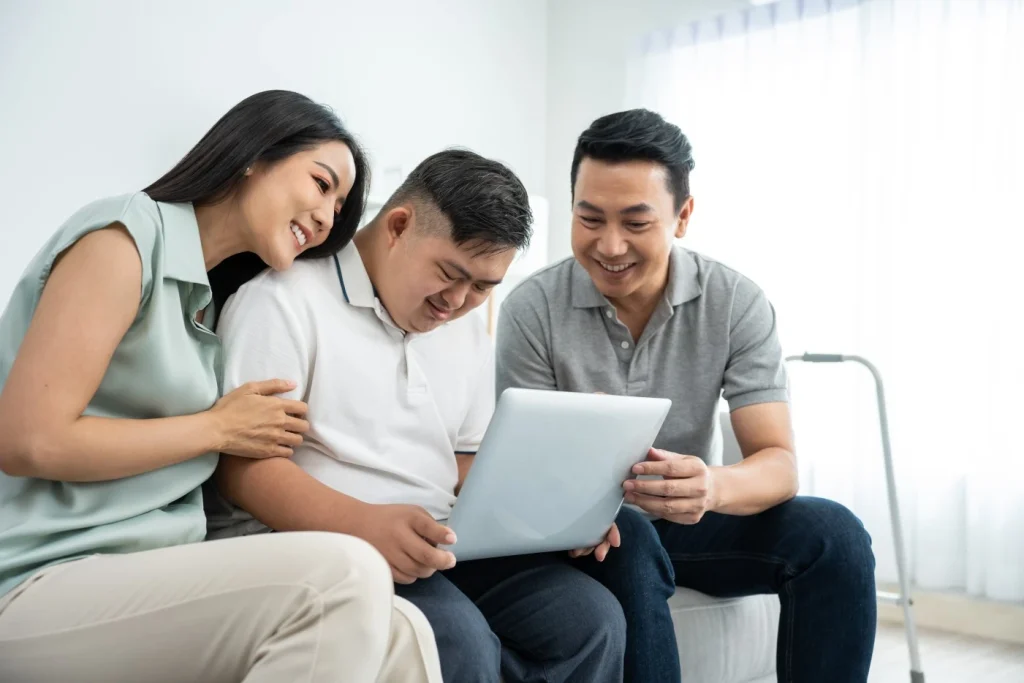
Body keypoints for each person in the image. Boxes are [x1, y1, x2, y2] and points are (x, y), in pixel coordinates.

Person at [0, 90, 441, 683]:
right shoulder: (124, 239)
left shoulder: (209, 305)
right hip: (40, 575)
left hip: (153, 570)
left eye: (340, 206)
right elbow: (30, 440)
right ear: (253, 155)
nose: (328, 215)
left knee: (404, 632)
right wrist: (216, 427)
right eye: (321, 183)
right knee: (344, 572)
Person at [205, 149, 627, 683]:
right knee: (454, 639)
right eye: (450, 274)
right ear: (398, 227)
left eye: (483, 287)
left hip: (440, 541)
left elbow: (465, 464)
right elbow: (242, 471)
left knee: (588, 621)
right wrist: (362, 524)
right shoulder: (283, 302)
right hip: (324, 543)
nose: (457, 301)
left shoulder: (467, 329)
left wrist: (553, 514)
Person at [495, 109, 877, 683]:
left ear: (683, 216)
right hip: (584, 533)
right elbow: (521, 472)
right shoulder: (531, 309)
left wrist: (712, 485)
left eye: (636, 222)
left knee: (836, 536)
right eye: (589, 217)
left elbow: (779, 465)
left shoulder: (735, 302)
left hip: (693, 519)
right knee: (632, 536)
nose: (610, 244)